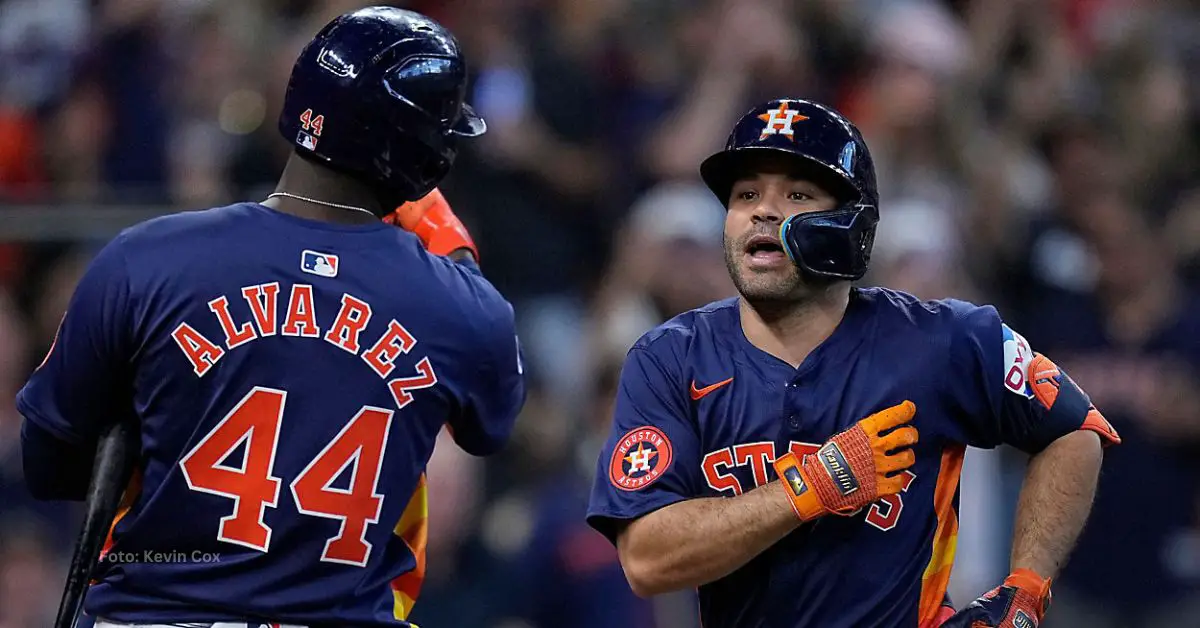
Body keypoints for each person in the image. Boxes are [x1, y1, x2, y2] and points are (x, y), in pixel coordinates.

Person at [16, 7, 526, 628]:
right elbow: (490, 422)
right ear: (423, 156)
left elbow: (48, 461)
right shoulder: (462, 308)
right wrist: (452, 247)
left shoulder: (144, 257)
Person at [585, 98, 1120, 628]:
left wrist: (1026, 590)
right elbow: (647, 558)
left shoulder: (944, 339)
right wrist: (813, 485)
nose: (762, 211)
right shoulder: (668, 358)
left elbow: (1076, 430)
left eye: (796, 194)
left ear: (852, 226)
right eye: (746, 194)